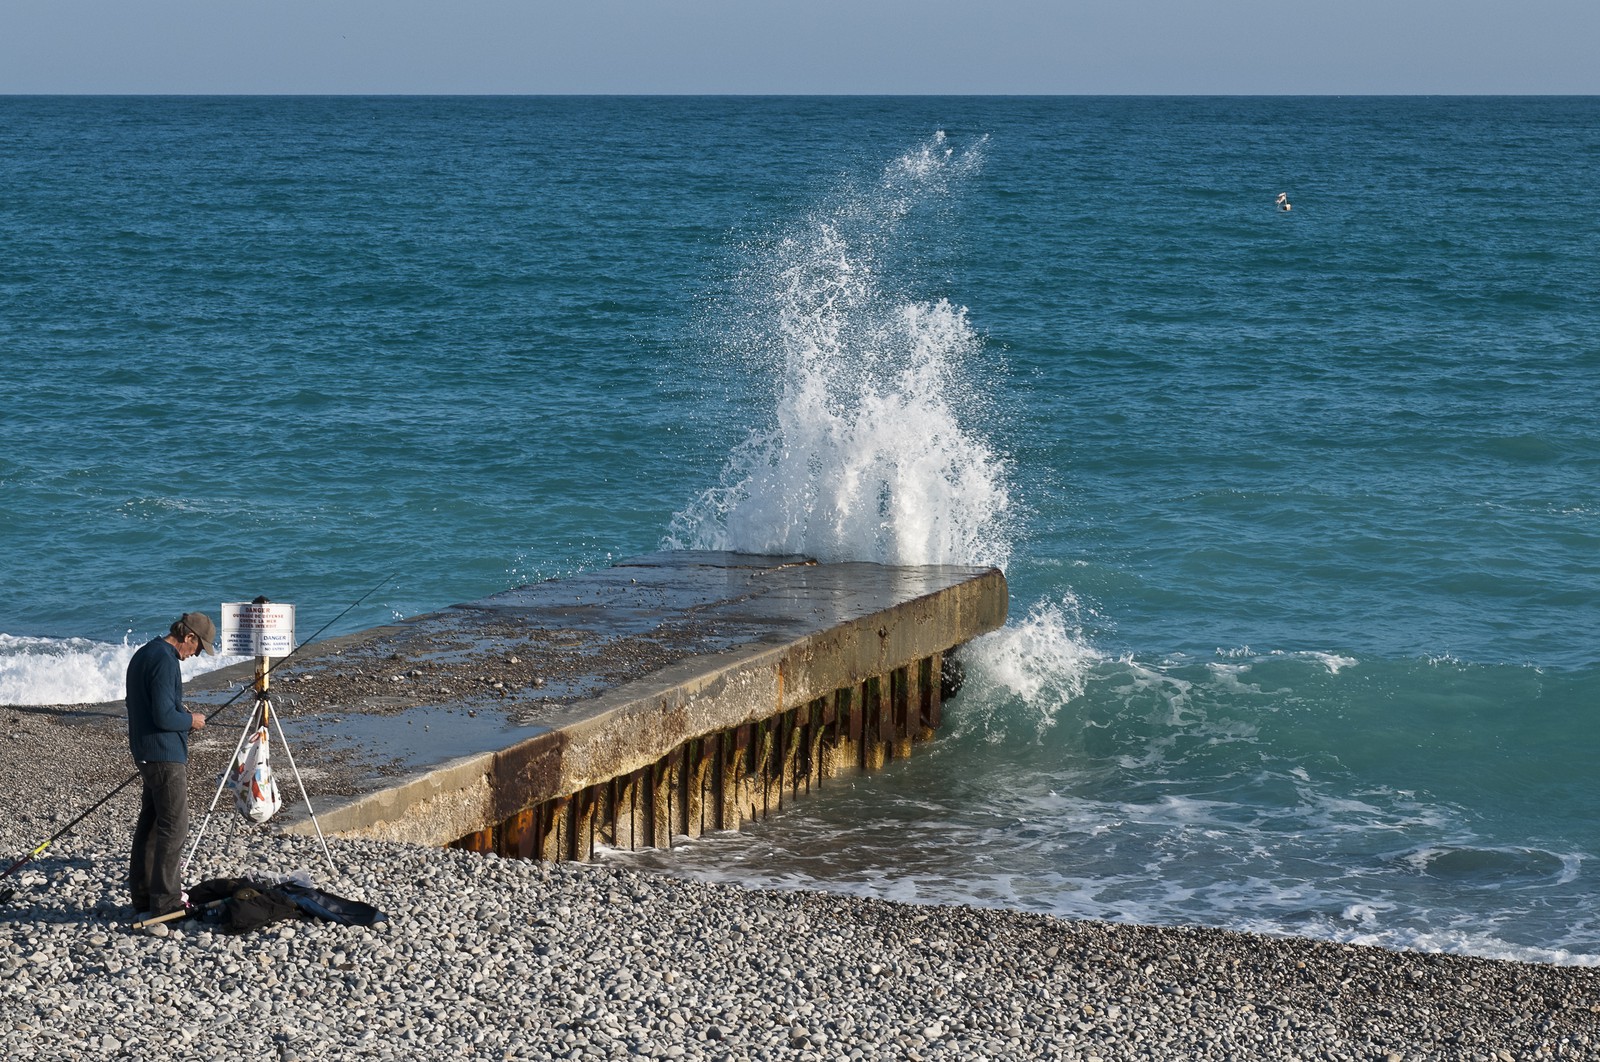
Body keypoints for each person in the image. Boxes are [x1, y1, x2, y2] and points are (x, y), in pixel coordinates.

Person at [126, 611, 213, 933]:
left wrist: (180, 713)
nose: (197, 654)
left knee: (150, 824)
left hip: (146, 751)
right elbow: (164, 716)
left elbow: (149, 705)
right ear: (188, 637)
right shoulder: (165, 659)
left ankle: (143, 897)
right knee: (174, 827)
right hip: (164, 756)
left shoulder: (146, 652)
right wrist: (190, 720)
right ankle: (166, 903)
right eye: (199, 647)